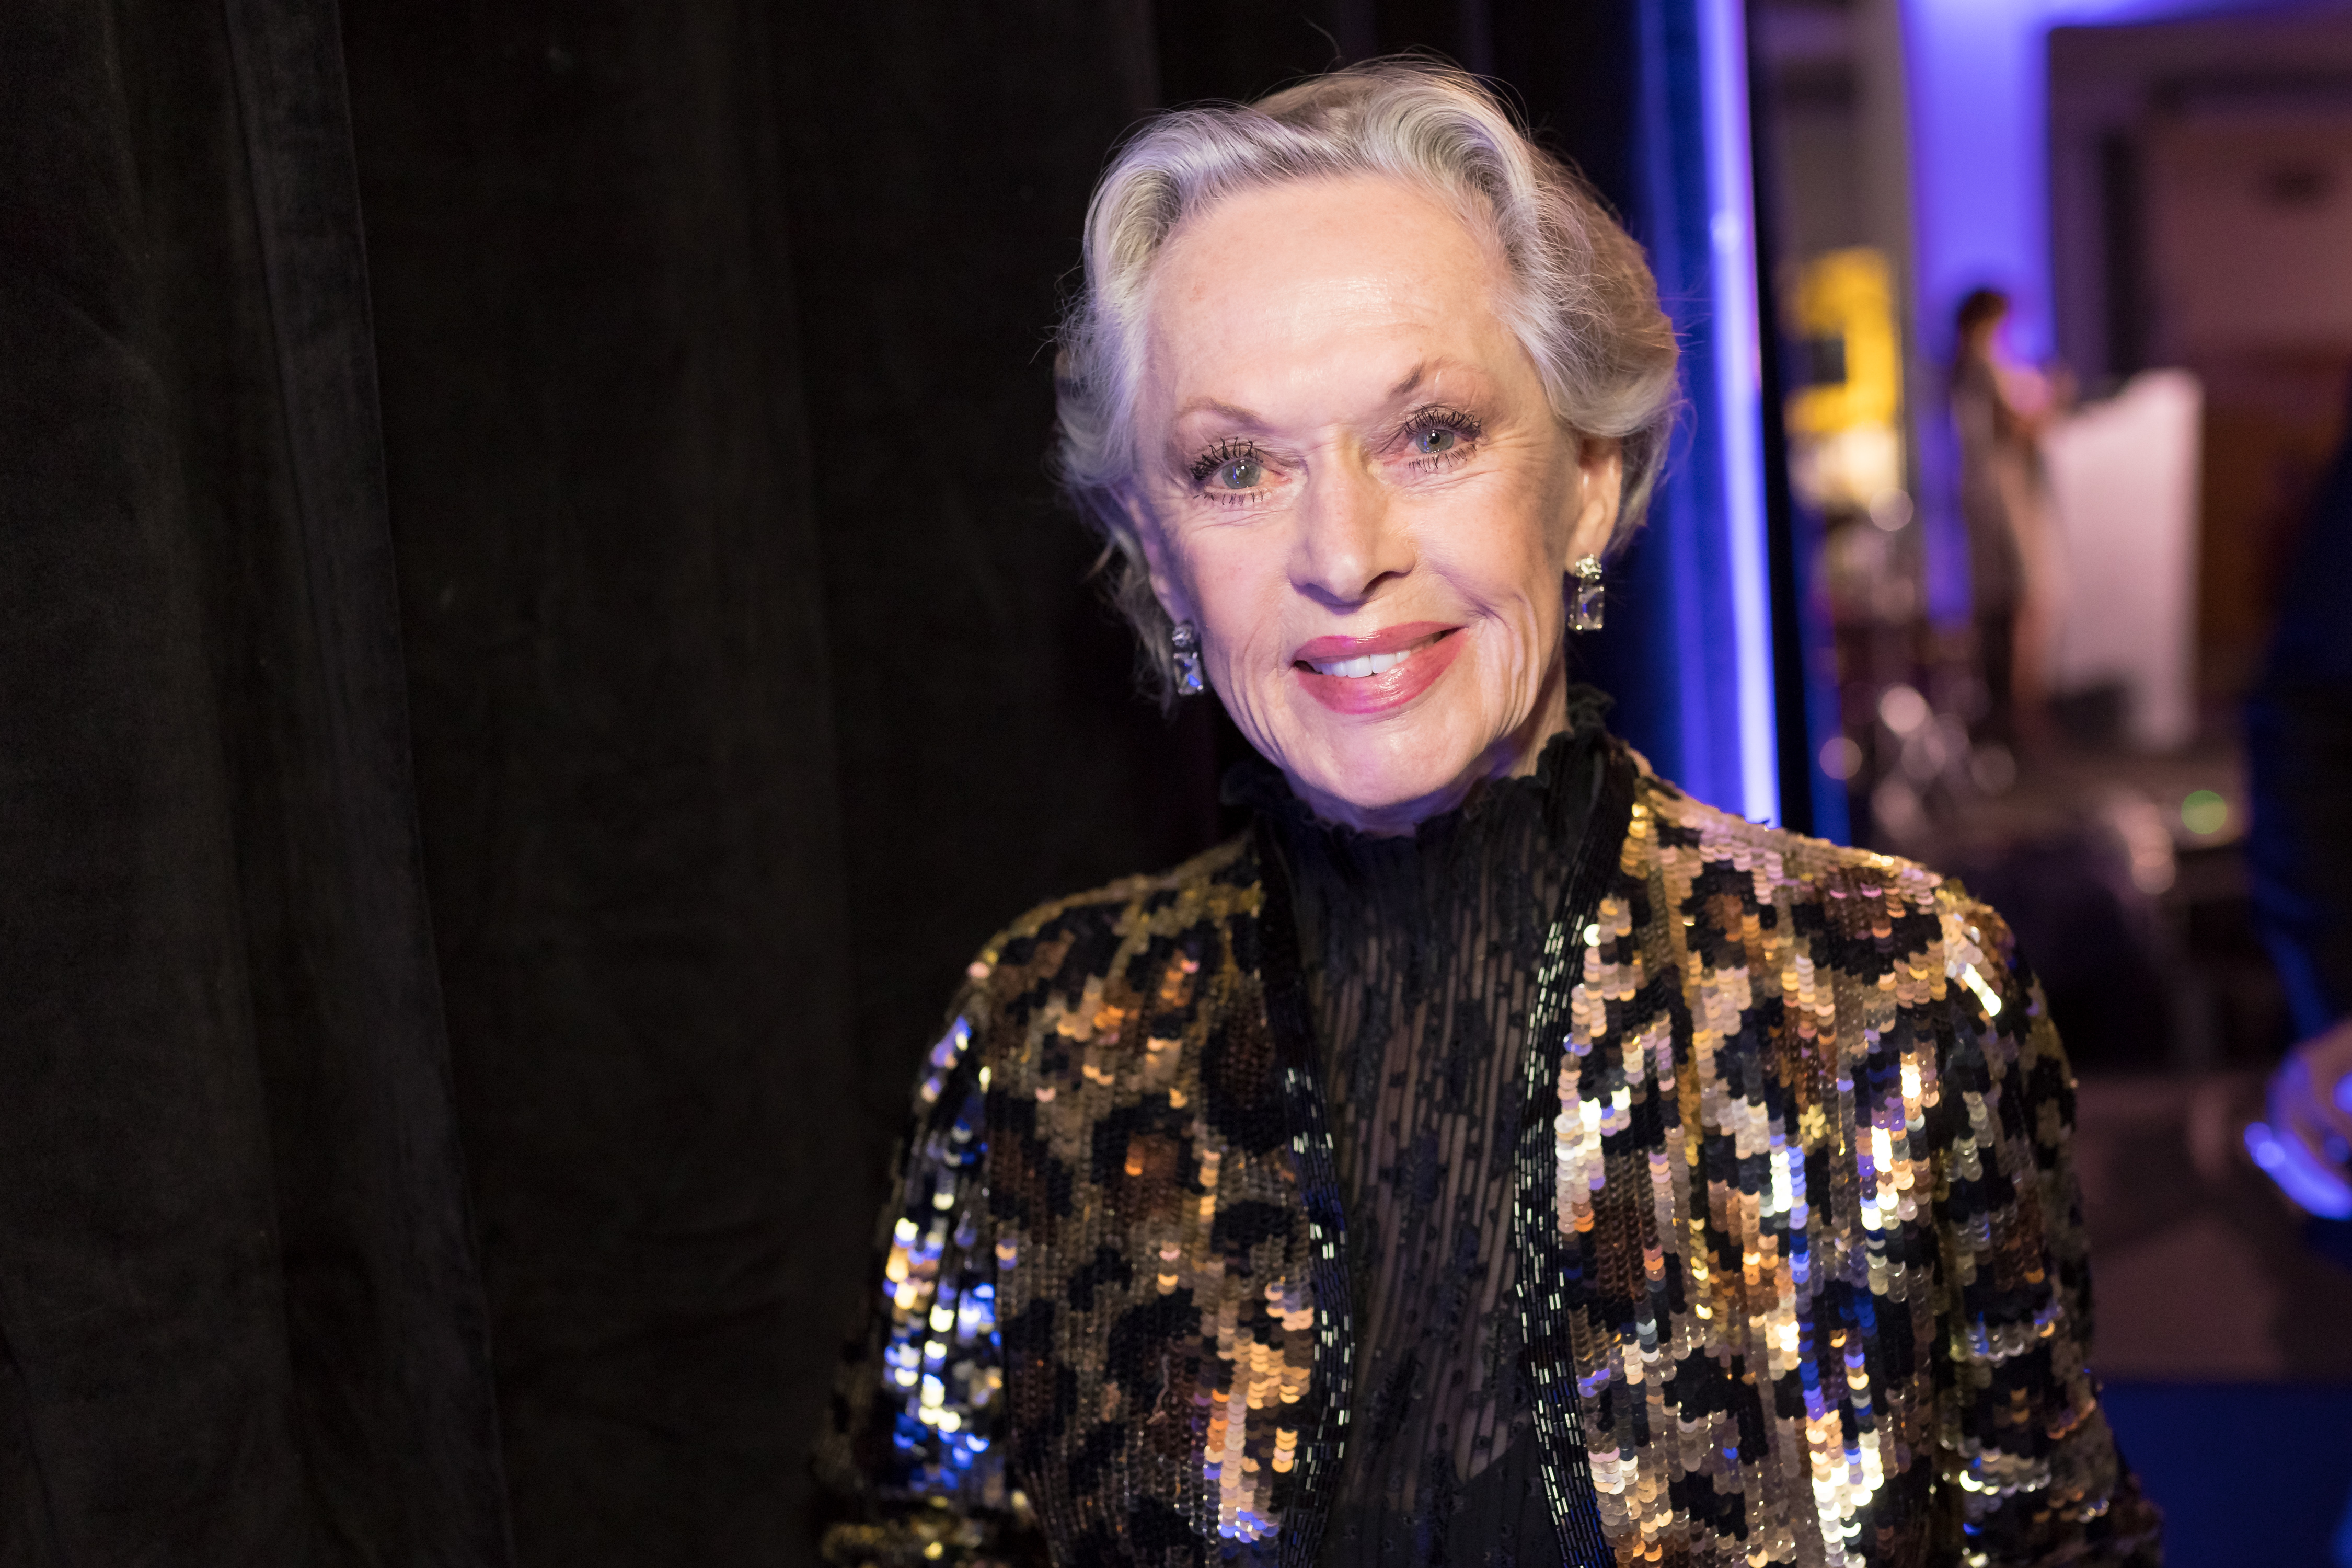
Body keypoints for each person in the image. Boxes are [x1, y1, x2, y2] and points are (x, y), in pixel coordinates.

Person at [815, 64, 2158, 1567]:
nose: (1344, 552)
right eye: (1236, 467)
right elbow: (912, 1538)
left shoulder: (1890, 1001)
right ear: (1157, 553)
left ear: (1586, 483)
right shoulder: (1041, 1044)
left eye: (1430, 434)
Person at [1951, 289, 2062, 751]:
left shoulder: (1960, 368)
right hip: (2004, 499)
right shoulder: (1984, 366)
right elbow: (2015, 427)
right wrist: (2052, 401)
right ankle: (2018, 716)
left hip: (1986, 498)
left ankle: (2005, 715)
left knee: (2000, 604)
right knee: (2023, 601)